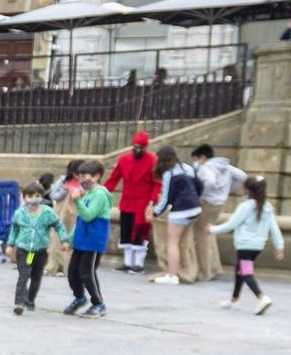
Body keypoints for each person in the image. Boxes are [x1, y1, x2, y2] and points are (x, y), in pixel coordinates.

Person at [210, 175, 285, 316]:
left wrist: (212, 229)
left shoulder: (245, 207)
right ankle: (234, 299)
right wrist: (279, 246)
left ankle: (262, 297)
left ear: (247, 190)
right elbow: (274, 228)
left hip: (245, 246)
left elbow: (231, 224)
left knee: (245, 272)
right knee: (239, 270)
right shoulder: (267, 207)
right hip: (257, 247)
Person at [6, 180, 66, 314]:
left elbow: (59, 225)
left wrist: (64, 239)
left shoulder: (47, 212)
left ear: (42, 197)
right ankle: (19, 303)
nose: (34, 199)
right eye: (30, 196)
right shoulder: (19, 213)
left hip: (39, 251)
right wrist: (10, 244)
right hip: (25, 251)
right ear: (24, 198)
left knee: (36, 276)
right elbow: (14, 229)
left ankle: (30, 299)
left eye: (38, 196)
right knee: (24, 275)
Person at [189, 144, 246, 281]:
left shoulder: (206, 167)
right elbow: (243, 176)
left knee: (201, 236)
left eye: (197, 159)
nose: (196, 162)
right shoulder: (224, 166)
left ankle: (205, 271)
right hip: (219, 203)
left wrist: (200, 196)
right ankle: (215, 268)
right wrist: (228, 189)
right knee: (210, 233)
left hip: (207, 204)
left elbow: (209, 182)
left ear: (202, 157)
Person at [105, 131, 159, 273]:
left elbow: (156, 183)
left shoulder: (153, 160)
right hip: (127, 200)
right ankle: (128, 263)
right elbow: (114, 178)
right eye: (136, 147)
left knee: (141, 232)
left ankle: (139, 264)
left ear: (146, 147)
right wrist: (104, 192)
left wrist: (153, 200)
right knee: (126, 231)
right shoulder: (123, 159)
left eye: (141, 147)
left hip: (143, 202)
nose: (138, 150)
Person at [147, 144, 202, 285]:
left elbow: (166, 199)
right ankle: (187, 271)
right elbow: (200, 185)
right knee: (185, 242)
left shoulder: (169, 174)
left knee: (173, 243)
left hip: (181, 210)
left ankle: (172, 276)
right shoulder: (187, 167)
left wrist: (155, 213)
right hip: (195, 208)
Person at [67, 160, 116, 317]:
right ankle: (80, 298)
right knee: (73, 272)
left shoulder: (100, 194)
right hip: (82, 239)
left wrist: (77, 200)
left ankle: (99, 303)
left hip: (93, 240)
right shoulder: (87, 193)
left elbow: (88, 216)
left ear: (96, 177)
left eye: (84, 176)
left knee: (86, 272)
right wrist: (69, 239)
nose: (81, 180)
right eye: (79, 176)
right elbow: (81, 219)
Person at [45, 158, 81, 278]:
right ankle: (53, 266)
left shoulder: (85, 182)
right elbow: (53, 195)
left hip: (75, 214)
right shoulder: (62, 180)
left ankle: (67, 267)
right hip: (61, 212)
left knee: (71, 239)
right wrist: (65, 190)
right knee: (56, 238)